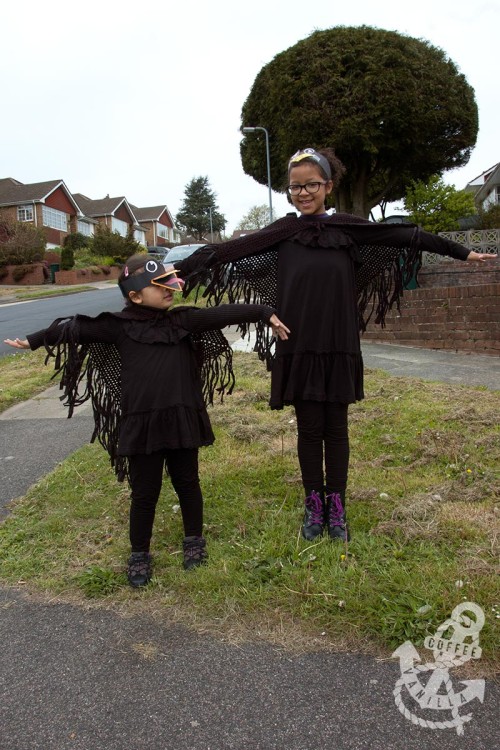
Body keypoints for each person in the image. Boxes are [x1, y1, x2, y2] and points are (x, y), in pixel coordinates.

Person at [177, 147, 496, 545]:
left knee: (337, 429)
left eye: (312, 184)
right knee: (310, 430)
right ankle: (314, 503)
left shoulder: (351, 229)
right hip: (298, 344)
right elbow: (227, 251)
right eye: (296, 187)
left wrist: (463, 252)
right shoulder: (283, 231)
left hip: (339, 343)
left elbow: (408, 236)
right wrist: (177, 271)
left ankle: (338, 506)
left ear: (328, 185)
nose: (303, 193)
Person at [4, 254, 289, 587]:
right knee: (144, 493)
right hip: (142, 423)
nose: (170, 289)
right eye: (160, 285)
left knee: (188, 483)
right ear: (135, 295)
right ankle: (139, 553)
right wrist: (35, 340)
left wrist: (263, 312)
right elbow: (75, 328)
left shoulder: (181, 321)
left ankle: (194, 540)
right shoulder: (118, 326)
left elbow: (221, 313)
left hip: (182, 418)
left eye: (171, 283)